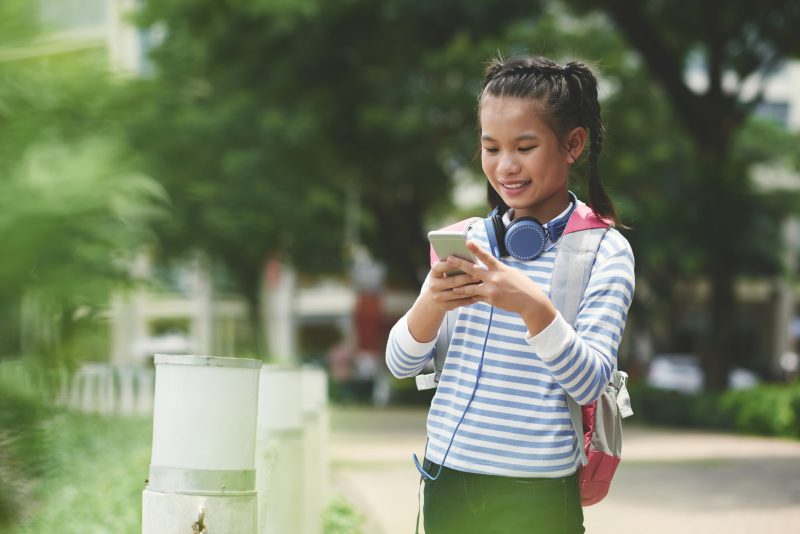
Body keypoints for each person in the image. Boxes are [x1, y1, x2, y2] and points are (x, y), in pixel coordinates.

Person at [385, 55, 635, 534]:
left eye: (525, 146)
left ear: (573, 144)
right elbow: (400, 364)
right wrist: (431, 304)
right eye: (491, 148)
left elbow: (589, 384)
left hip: (537, 491)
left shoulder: (604, 251)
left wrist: (530, 304)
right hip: (447, 478)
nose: (505, 167)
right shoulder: (463, 241)